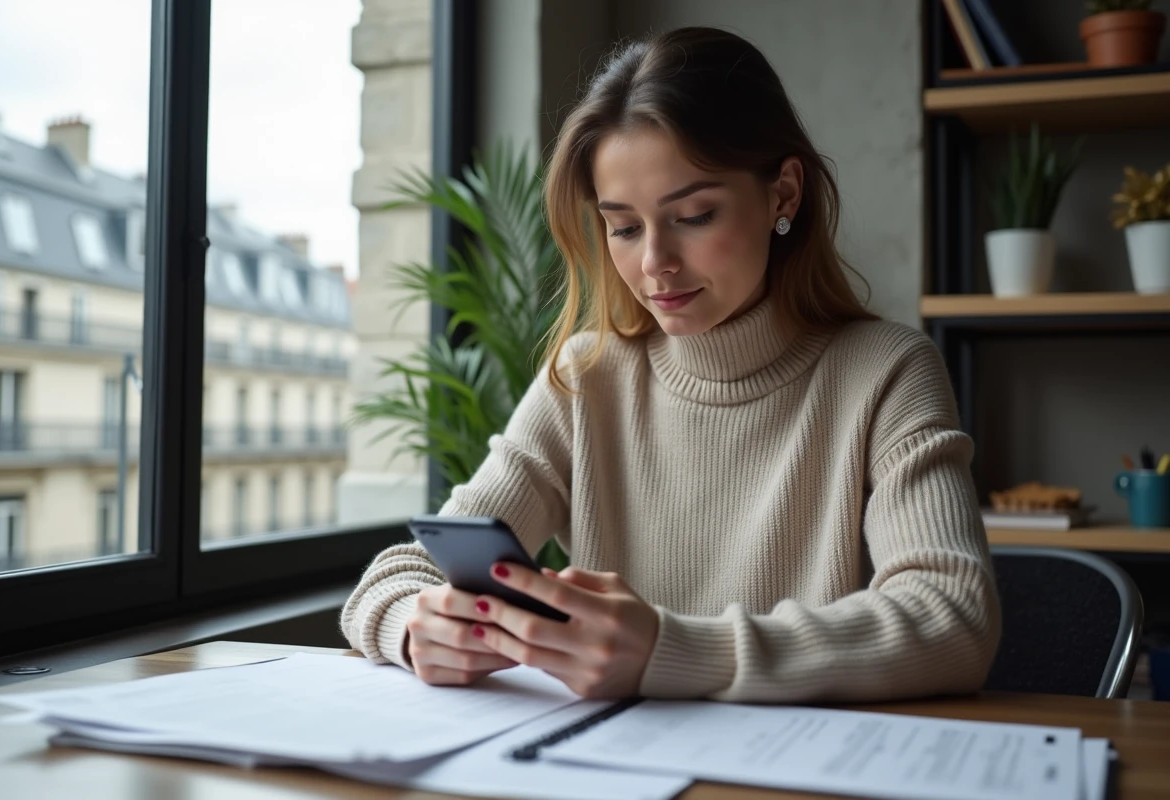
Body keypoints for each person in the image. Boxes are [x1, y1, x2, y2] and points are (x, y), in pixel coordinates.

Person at [341, 25, 1001, 704]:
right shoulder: (586, 377)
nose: (654, 263)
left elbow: (951, 617)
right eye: (623, 227)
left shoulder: (886, 373)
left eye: (693, 214)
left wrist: (670, 650)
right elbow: (403, 574)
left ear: (784, 195)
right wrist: (414, 626)